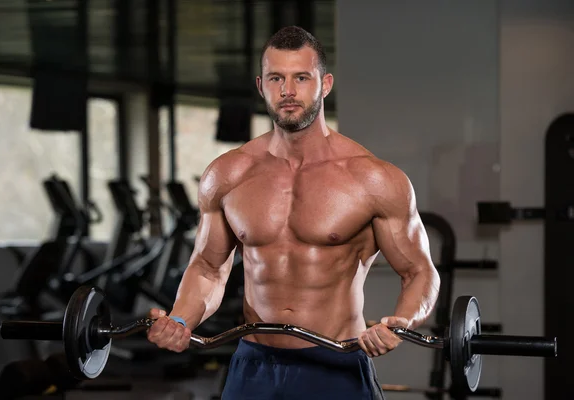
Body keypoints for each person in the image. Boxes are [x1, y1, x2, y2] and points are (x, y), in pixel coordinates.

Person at [147, 26, 440, 400]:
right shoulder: (228, 174)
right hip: (252, 364)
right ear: (261, 85)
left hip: (334, 364)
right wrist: (181, 319)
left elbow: (419, 272)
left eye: (301, 77)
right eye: (276, 78)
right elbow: (207, 268)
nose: (288, 91)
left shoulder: (373, 178)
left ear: (325, 84)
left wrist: (402, 323)